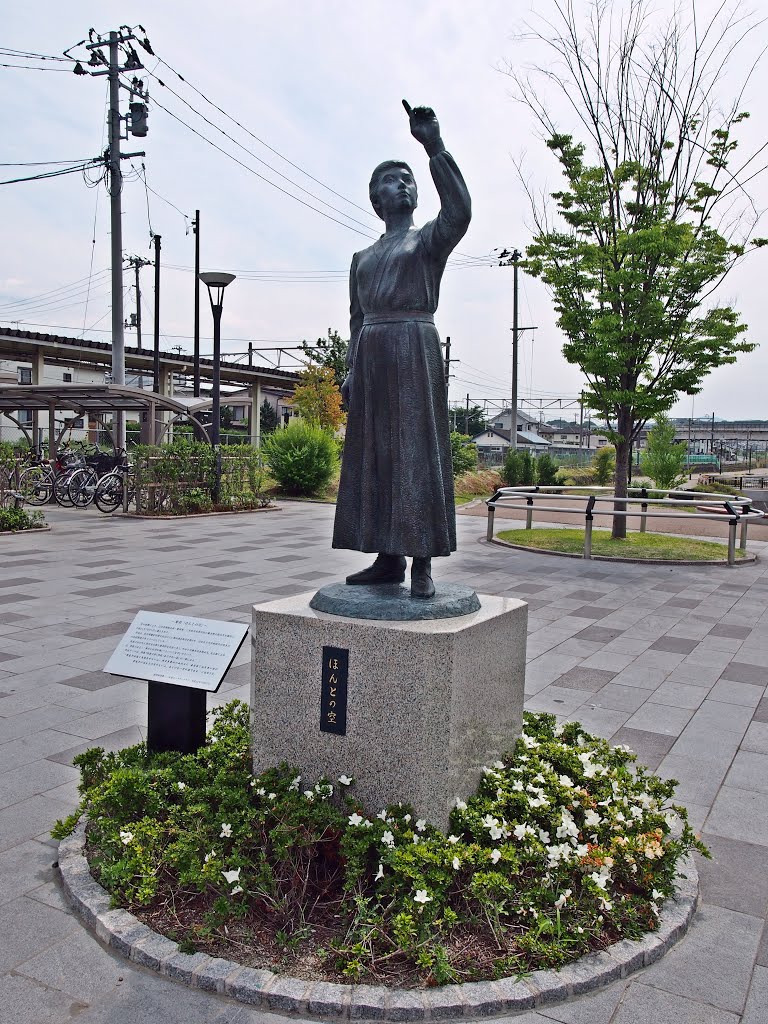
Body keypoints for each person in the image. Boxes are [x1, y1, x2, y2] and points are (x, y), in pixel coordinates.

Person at [332, 100, 471, 598]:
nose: (403, 184)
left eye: (408, 179)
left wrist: (433, 147)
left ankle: (423, 562)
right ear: (376, 198)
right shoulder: (362, 258)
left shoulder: (427, 242)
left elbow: (459, 212)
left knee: (416, 452)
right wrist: (349, 370)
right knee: (377, 455)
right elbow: (355, 319)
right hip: (372, 354)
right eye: (393, 179)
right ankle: (386, 556)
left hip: (415, 345)